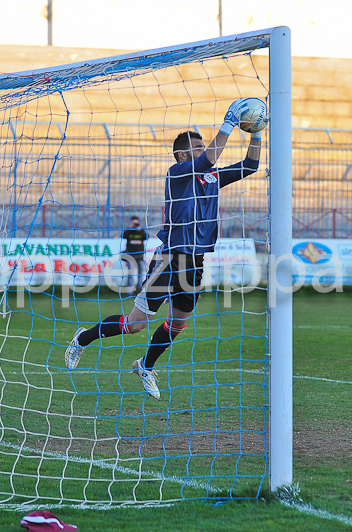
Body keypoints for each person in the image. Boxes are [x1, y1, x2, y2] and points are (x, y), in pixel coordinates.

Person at [65, 99, 262, 400]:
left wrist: (256, 132)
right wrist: (228, 124)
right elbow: (207, 160)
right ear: (184, 155)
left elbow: (250, 166)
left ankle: (145, 366)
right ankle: (83, 338)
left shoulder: (211, 179)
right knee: (135, 325)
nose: (204, 151)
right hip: (170, 257)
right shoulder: (178, 173)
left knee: (179, 323)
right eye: (198, 148)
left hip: (196, 260)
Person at [121, 215, 148, 293]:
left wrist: (140, 230)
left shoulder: (141, 231)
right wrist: (132, 228)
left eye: (136, 223)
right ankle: (129, 292)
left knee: (140, 274)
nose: (135, 225)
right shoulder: (129, 231)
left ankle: (140, 291)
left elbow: (146, 237)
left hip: (140, 256)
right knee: (130, 274)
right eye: (134, 223)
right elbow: (123, 236)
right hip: (130, 256)